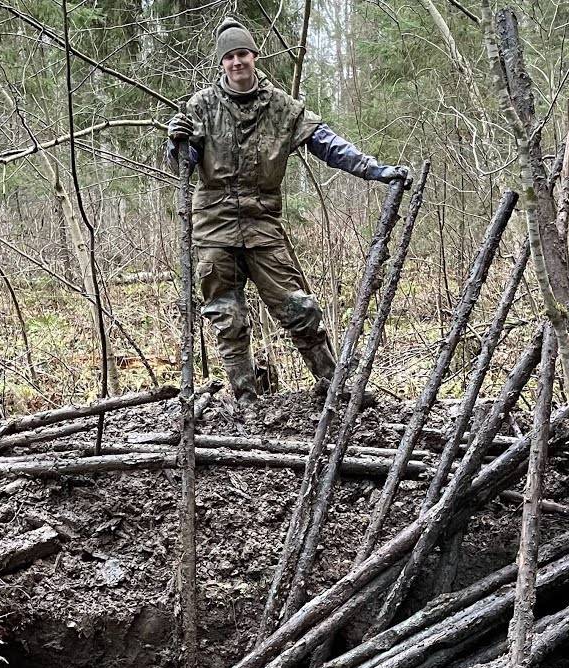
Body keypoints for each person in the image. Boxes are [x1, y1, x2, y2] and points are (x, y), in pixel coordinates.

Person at [166, 17, 411, 408]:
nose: (236, 62)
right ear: (221, 63)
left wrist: (376, 170)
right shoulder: (201, 106)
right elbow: (186, 160)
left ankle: (336, 386)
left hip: (263, 224)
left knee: (298, 307)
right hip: (213, 225)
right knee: (228, 320)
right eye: (229, 57)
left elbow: (329, 145)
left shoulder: (282, 107)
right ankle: (247, 400)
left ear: (254, 56)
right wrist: (177, 142)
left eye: (242, 54)